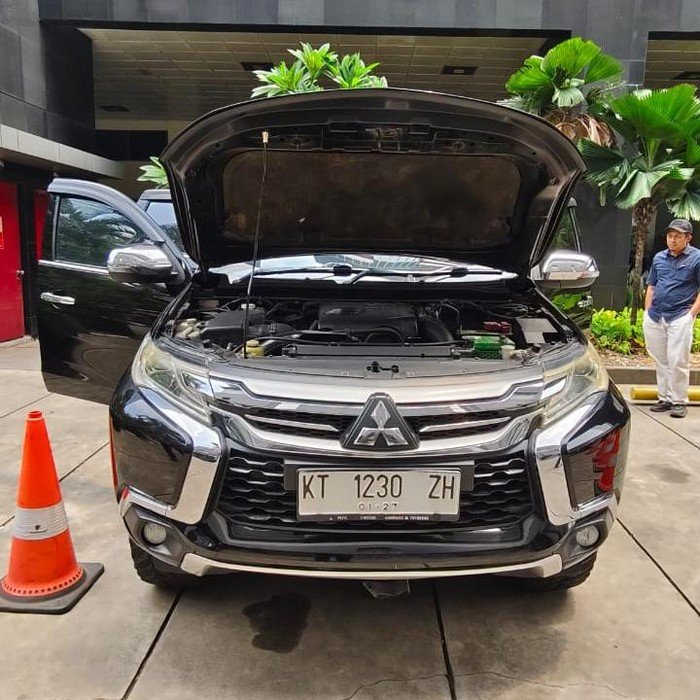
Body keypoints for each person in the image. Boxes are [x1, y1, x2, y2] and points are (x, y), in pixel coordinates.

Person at [643, 219, 700, 418]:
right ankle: (665, 398)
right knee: (661, 360)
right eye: (670, 236)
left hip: (680, 316)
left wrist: (691, 314)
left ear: (688, 238)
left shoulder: (697, 258)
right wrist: (647, 312)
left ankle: (678, 401)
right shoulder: (659, 258)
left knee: (677, 361)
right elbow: (651, 286)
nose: (672, 240)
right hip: (656, 316)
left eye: (677, 236)